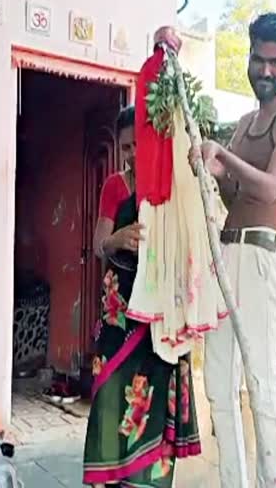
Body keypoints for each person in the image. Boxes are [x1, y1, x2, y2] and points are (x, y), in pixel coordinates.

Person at [188, 12, 276, 488]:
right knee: (218, 385)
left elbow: (269, 189)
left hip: (260, 259)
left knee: (261, 384)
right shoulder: (244, 123)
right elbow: (235, 198)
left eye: (275, 62)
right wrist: (212, 170)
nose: (265, 70)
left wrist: (225, 157)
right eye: (258, 59)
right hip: (227, 253)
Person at [83, 91, 201, 485]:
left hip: (159, 315)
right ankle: (111, 475)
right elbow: (101, 245)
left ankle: (147, 479)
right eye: (125, 147)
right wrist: (119, 238)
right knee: (112, 391)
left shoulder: (168, 186)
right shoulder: (115, 187)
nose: (132, 153)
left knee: (154, 391)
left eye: (137, 144)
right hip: (120, 312)